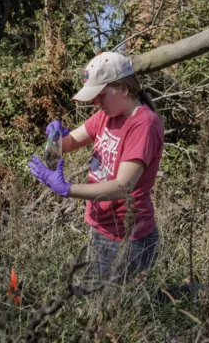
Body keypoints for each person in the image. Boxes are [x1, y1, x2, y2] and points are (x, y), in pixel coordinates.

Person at [28, 52, 164, 284]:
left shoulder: (143, 124)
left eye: (101, 95)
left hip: (128, 238)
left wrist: (67, 189)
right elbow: (68, 143)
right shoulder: (105, 116)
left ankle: (194, 295)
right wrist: (54, 139)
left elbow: (123, 186)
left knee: (123, 312)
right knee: (98, 305)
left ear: (123, 88)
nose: (96, 103)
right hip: (100, 229)